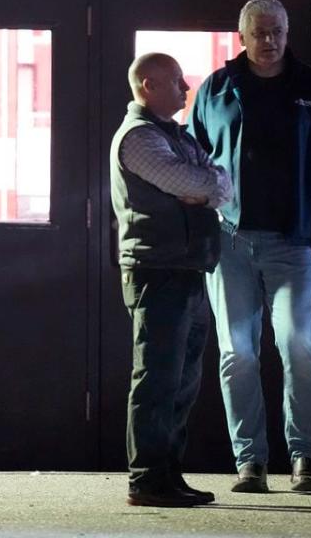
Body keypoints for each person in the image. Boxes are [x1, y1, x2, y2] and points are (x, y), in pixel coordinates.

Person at [188, 0, 311, 494]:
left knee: (298, 344)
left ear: (288, 33)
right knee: (237, 352)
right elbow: (193, 162)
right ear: (242, 36)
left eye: (278, 31)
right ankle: (251, 463)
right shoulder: (217, 91)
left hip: (293, 242)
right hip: (228, 241)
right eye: (260, 32)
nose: (270, 41)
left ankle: (304, 457)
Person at [111, 53, 233, 507]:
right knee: (158, 377)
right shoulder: (139, 138)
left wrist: (201, 187)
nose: (186, 89)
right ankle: (147, 479)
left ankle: (168, 473)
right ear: (148, 85)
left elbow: (220, 184)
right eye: (177, 82)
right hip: (157, 269)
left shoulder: (175, 137)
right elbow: (199, 183)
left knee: (182, 380)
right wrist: (201, 185)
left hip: (186, 268)